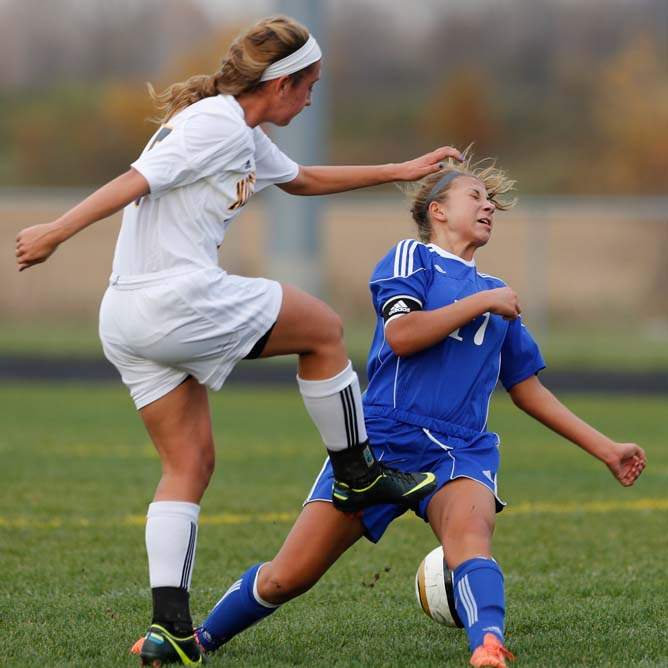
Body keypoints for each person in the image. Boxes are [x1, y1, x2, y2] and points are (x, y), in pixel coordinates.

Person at [13, 15, 463, 667]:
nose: (311, 98)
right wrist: (57, 230)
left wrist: (403, 168)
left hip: (129, 314)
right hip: (174, 296)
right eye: (309, 86)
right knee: (326, 329)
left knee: (188, 465)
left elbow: (303, 180)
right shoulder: (215, 124)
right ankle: (357, 474)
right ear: (279, 85)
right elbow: (136, 180)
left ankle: (170, 627)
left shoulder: (241, 132)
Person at [192, 153, 647, 668]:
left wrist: (606, 448)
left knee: (471, 540)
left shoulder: (495, 293)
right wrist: (483, 302)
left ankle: (488, 646)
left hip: (460, 447)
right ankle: (196, 641)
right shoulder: (413, 258)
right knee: (288, 576)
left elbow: (527, 390)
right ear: (438, 211)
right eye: (475, 196)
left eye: (491, 200)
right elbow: (402, 336)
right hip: (383, 440)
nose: (488, 206)